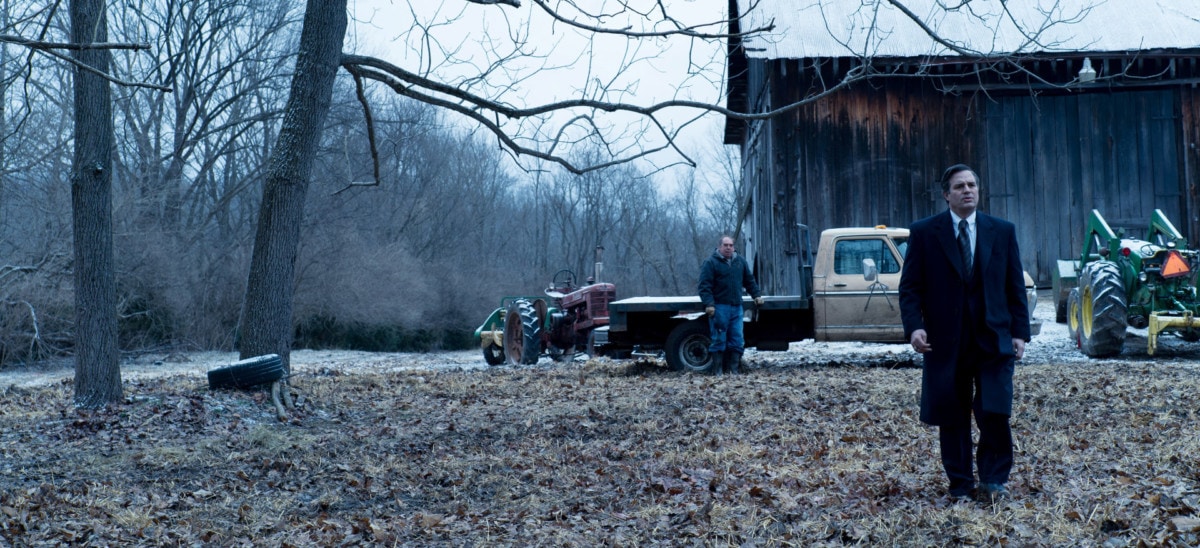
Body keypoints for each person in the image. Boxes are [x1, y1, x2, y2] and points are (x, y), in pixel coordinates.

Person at [898, 164, 1031, 503]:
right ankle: (959, 485)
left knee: (994, 411)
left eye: (972, 184)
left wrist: (1020, 332)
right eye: (959, 186)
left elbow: (1014, 285)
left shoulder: (1002, 231)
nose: (967, 190)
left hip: (993, 340)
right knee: (952, 414)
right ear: (947, 194)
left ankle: (993, 481)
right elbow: (910, 287)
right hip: (946, 342)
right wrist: (915, 327)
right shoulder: (926, 233)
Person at [698, 235, 763, 375]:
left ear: (734, 247)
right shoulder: (710, 263)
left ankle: (734, 370)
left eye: (731, 245)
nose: (728, 248)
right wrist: (709, 304)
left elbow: (749, 280)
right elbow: (704, 286)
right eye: (725, 245)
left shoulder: (740, 262)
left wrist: (756, 295)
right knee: (719, 339)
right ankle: (718, 371)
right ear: (719, 246)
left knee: (737, 339)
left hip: (736, 307)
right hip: (719, 307)